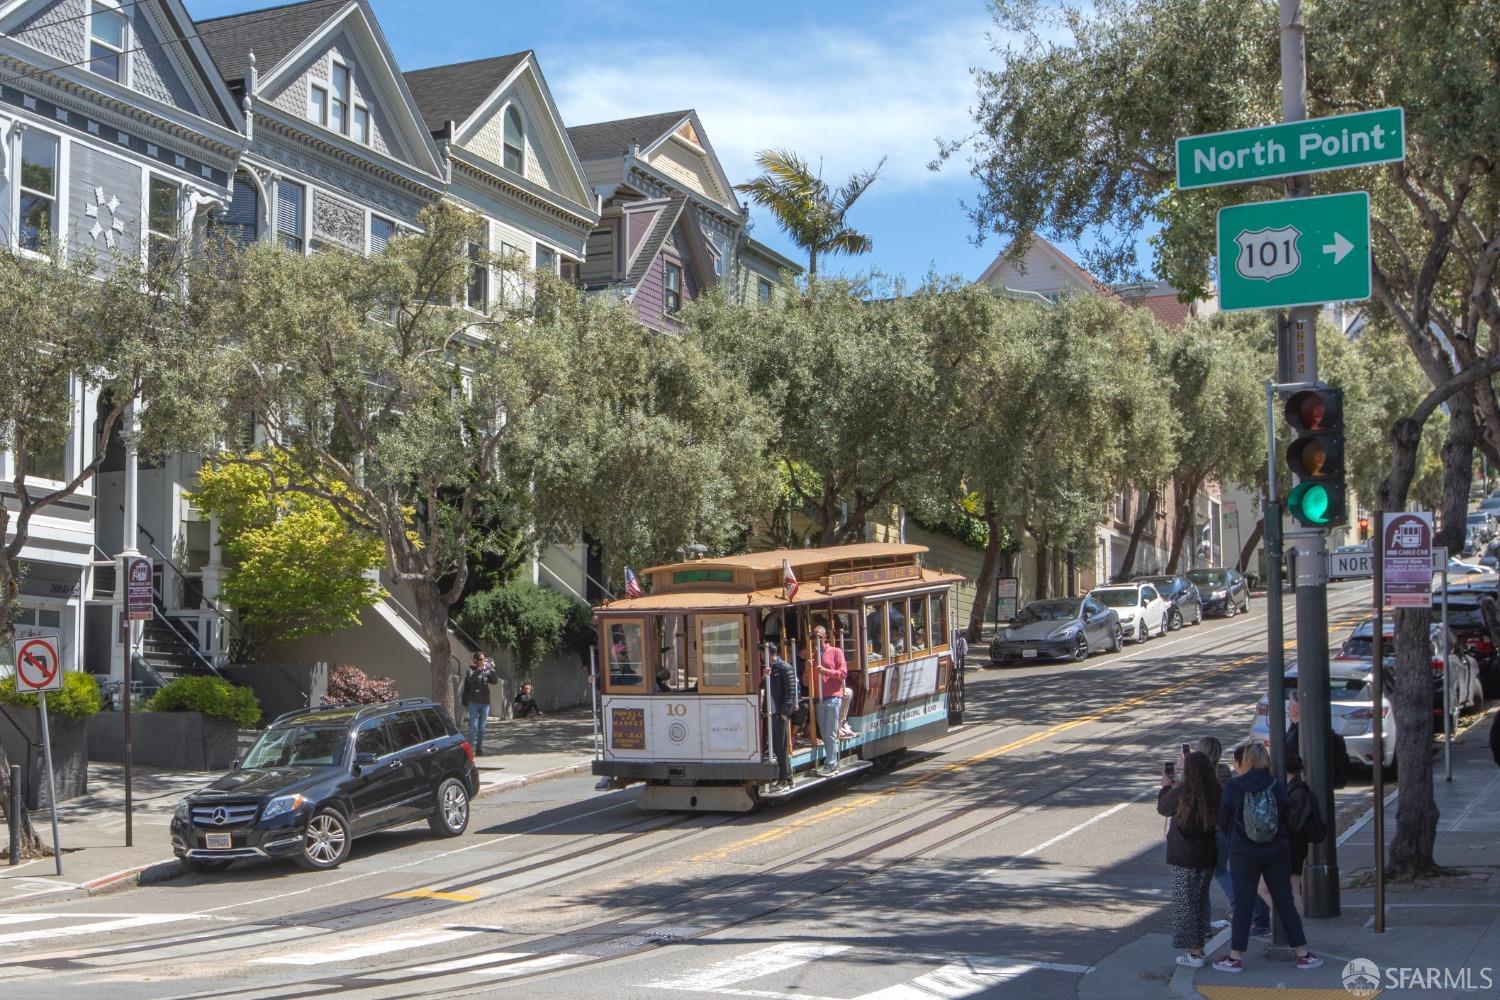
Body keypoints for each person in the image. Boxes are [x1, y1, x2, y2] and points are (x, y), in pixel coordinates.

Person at [1213, 742, 1322, 973]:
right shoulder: (1277, 786)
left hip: (1244, 853)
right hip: (1276, 852)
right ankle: (1302, 954)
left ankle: (1235, 957)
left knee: (1243, 905)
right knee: (1284, 901)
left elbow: (1223, 822)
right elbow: (1286, 818)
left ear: (1247, 762)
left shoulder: (1234, 787)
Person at [1158, 751, 1221, 968]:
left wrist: (1166, 787)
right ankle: (1200, 943)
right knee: (1200, 900)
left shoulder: (1184, 791)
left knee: (1185, 903)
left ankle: (1195, 953)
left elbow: (1163, 808)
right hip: (1207, 853)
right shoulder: (1215, 789)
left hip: (1183, 855)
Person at [1284, 754, 1327, 915]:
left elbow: (1294, 823)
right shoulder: (1296, 789)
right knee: (1292, 887)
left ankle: (1295, 926)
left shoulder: (1298, 791)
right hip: (1296, 843)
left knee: (1294, 888)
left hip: (1294, 844)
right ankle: (1294, 926)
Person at [763, 642, 799, 790]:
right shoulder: (769, 670)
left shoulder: (785, 668)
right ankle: (788, 779)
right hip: (770, 713)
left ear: (769, 654)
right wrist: (765, 677)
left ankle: (784, 780)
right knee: (777, 747)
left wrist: (784, 713)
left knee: (780, 746)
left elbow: (791, 693)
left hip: (779, 714)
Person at [812, 624, 847, 775]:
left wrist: (825, 671)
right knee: (825, 732)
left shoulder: (835, 651)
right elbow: (808, 682)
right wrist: (808, 670)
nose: (817, 639)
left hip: (833, 697)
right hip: (819, 699)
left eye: (819, 636)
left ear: (825, 637)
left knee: (830, 732)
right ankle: (830, 761)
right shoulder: (813, 656)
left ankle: (832, 763)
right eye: (814, 637)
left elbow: (843, 673)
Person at [460, 653, 499, 754]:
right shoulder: (470, 670)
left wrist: (493, 669)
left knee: (482, 728)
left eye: (484, 659)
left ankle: (479, 749)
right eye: (481, 659)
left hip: (485, 703)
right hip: (474, 702)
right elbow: (471, 680)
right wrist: (480, 669)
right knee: (473, 726)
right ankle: (469, 750)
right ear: (475, 660)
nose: (483, 661)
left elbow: (494, 681)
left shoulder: (487, 670)